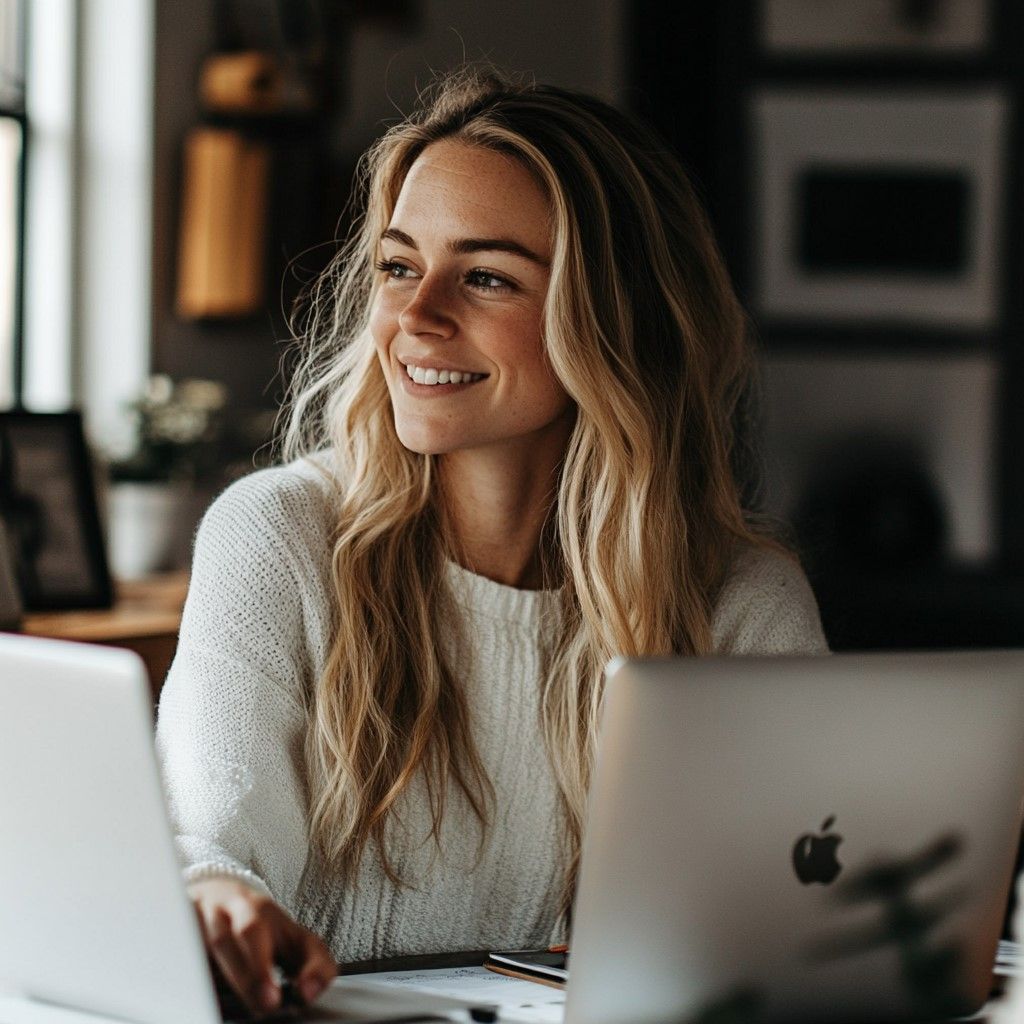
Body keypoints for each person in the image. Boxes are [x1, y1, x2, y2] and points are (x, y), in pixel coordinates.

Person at [155, 66, 829, 1016]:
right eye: (398, 265)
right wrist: (215, 898)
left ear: (615, 319)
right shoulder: (277, 537)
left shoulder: (741, 600)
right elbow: (210, 839)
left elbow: (807, 921)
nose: (416, 317)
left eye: (485, 277)